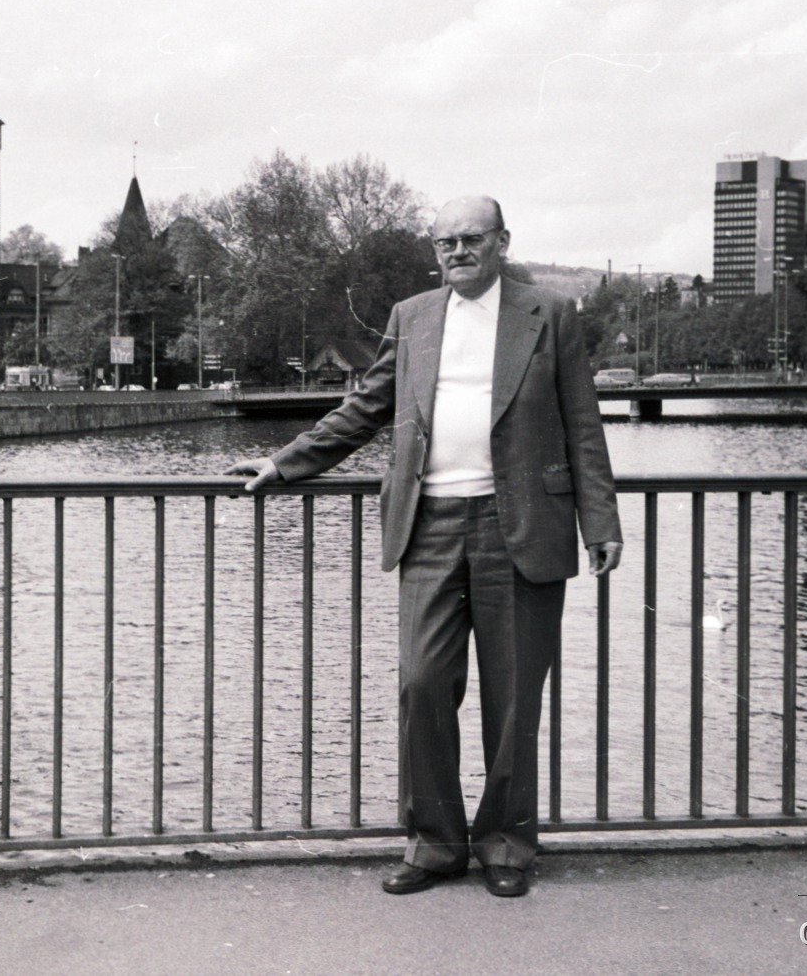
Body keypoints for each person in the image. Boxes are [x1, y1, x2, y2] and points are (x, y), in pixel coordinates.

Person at [228, 195, 622, 898]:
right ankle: (435, 842)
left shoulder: (549, 313)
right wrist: (284, 462)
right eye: (443, 241)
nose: (456, 251)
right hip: (429, 525)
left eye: (470, 238)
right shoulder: (411, 317)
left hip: (522, 525)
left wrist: (601, 523)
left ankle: (504, 843)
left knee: (512, 698)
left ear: (501, 241)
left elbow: (581, 423)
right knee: (420, 685)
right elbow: (365, 406)